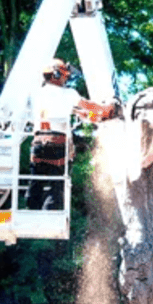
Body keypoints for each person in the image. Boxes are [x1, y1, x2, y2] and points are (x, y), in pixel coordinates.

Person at [27, 59, 120, 210]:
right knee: (57, 183)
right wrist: (107, 109)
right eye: (64, 75)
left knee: (36, 182)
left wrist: (88, 115)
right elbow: (89, 106)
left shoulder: (37, 94)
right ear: (56, 75)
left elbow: (76, 112)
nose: (66, 78)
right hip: (56, 144)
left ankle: (31, 211)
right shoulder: (68, 94)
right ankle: (51, 215)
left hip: (37, 144)